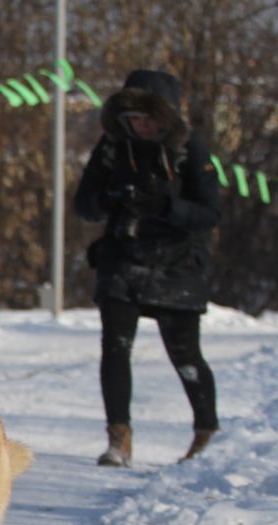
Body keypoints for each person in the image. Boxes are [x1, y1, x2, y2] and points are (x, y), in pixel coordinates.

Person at [72, 69, 222, 466]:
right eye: (134, 118)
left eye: (149, 119)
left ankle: (207, 433)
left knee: (185, 354)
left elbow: (211, 211)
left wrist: (167, 207)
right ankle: (118, 437)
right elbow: (83, 203)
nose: (141, 126)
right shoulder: (113, 148)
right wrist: (113, 200)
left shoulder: (189, 149)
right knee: (115, 348)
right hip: (122, 257)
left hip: (177, 264)